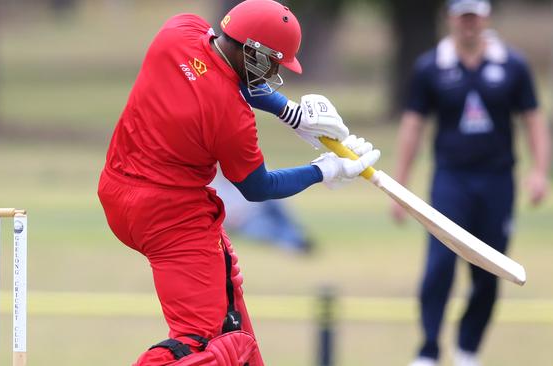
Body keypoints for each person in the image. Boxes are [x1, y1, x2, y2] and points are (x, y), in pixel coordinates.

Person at [97, 1, 381, 365]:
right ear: (254, 52)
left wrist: (290, 113)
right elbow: (258, 187)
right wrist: (324, 170)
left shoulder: (177, 32)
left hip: (117, 191)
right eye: (273, 63)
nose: (275, 72)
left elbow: (216, 72)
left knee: (228, 291)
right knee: (202, 342)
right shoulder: (231, 115)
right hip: (172, 218)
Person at [392, 1, 551, 365]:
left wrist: (539, 171)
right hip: (451, 180)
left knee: (490, 268)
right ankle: (429, 349)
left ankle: (468, 347)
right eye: (462, 17)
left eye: (474, 18)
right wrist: (400, 186)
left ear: (485, 18)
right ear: (450, 18)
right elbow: (413, 125)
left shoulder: (512, 65)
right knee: (439, 265)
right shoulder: (431, 67)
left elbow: (533, 119)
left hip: (497, 181)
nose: (469, 25)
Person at [210, 172, 314, 254]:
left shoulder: (246, 176)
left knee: (279, 208)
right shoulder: (218, 187)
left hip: (261, 208)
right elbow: (228, 217)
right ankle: (293, 243)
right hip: (246, 220)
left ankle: (297, 238)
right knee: (265, 226)